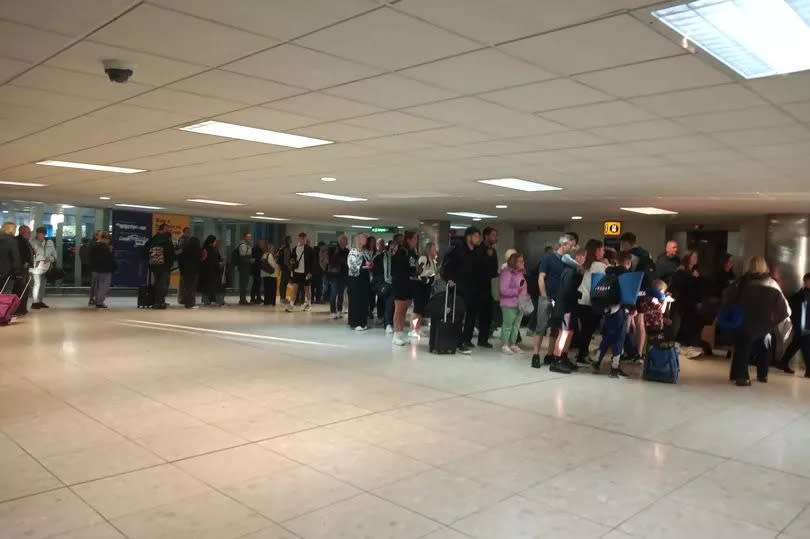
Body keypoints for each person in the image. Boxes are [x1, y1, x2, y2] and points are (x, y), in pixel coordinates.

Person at [724, 256, 790, 386]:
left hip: (742, 321)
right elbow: (783, 306)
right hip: (763, 325)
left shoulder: (741, 281)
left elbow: (727, 296)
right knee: (765, 346)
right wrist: (773, 320)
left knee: (742, 347)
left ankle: (740, 376)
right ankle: (762, 374)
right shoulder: (771, 283)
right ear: (764, 266)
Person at [531, 234, 576, 372]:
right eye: (571, 245)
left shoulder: (568, 262)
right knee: (541, 326)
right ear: (564, 244)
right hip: (547, 297)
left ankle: (550, 355)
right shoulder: (548, 258)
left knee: (555, 328)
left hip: (560, 299)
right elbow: (541, 278)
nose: (572, 248)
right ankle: (536, 354)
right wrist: (544, 296)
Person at [593, 252, 634, 378]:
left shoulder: (608, 271)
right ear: (628, 262)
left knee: (608, 336)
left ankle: (596, 361)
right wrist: (633, 308)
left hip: (607, 308)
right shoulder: (627, 275)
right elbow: (628, 294)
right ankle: (615, 368)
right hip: (619, 309)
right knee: (619, 338)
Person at [441, 226, 482, 355]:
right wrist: (449, 280)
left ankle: (465, 339)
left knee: (471, 315)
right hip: (459, 289)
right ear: (469, 236)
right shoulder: (458, 250)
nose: (478, 239)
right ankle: (458, 342)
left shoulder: (476, 251)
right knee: (458, 315)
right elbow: (446, 267)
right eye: (476, 236)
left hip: (473, 288)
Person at [620, 232, 655, 361]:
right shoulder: (647, 254)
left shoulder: (630, 255)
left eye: (623, 244)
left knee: (627, 321)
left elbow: (628, 274)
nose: (622, 247)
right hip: (643, 292)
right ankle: (639, 353)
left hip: (631, 291)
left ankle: (624, 351)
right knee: (640, 322)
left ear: (626, 243)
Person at [574, 239, 608, 364]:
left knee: (584, 330)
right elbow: (611, 275)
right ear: (597, 250)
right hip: (590, 302)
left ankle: (581, 354)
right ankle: (582, 356)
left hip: (581, 300)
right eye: (602, 249)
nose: (604, 251)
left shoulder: (586, 264)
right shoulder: (599, 266)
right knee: (588, 331)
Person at [670, 251, 704, 358]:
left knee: (691, 324)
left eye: (696, 257)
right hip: (683, 302)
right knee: (683, 324)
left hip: (691, 302)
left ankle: (689, 346)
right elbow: (682, 286)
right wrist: (693, 278)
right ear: (688, 258)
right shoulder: (681, 271)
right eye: (694, 257)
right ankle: (682, 346)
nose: (695, 259)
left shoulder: (693, 271)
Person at [391, 231, 420, 346]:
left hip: (409, 284)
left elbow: (414, 266)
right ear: (408, 239)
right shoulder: (402, 251)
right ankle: (396, 335)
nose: (416, 241)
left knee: (404, 310)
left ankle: (401, 332)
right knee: (399, 309)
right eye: (414, 239)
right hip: (400, 284)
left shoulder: (413, 252)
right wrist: (411, 272)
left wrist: (418, 270)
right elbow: (399, 269)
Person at [499, 252, 528, 355]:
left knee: (516, 326)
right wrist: (517, 291)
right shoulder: (506, 273)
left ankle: (513, 344)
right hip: (509, 304)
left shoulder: (521, 273)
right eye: (520, 261)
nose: (523, 263)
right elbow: (503, 290)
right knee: (508, 325)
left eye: (523, 261)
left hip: (520, 303)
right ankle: (504, 345)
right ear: (514, 262)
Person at [475, 227, 499, 348]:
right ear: (486, 236)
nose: (495, 237)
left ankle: (483, 339)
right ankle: (467, 338)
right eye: (493, 235)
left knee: (487, 315)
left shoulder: (493, 251)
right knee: (475, 314)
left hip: (490, 288)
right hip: (479, 287)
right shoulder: (478, 250)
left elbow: (494, 270)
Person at [784, 273, 810, 377]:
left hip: (804, 325)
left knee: (797, 343)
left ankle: (783, 362)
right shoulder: (801, 295)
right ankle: (809, 370)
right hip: (802, 325)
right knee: (806, 346)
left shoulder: (802, 294)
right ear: (805, 282)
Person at [144, 224, 175, 310]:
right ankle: (159, 302)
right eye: (167, 229)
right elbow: (170, 253)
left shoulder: (154, 239)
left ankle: (158, 301)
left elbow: (145, 249)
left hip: (155, 265)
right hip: (164, 265)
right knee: (163, 284)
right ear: (162, 229)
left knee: (158, 283)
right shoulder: (166, 240)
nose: (169, 231)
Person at [413, 242, 439, 338]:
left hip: (427, 287)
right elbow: (418, 271)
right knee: (417, 309)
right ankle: (413, 329)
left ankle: (417, 328)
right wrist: (429, 274)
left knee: (421, 309)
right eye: (433, 248)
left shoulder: (433, 260)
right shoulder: (424, 258)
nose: (435, 250)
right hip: (420, 286)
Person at [347, 233, 372, 331]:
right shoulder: (353, 251)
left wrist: (370, 265)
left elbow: (369, 262)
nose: (365, 239)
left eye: (365, 237)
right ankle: (355, 322)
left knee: (364, 301)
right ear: (358, 239)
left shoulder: (366, 252)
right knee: (355, 301)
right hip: (355, 279)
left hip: (365, 279)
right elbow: (352, 266)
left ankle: (363, 322)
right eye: (363, 237)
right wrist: (363, 267)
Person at [285, 232, 314, 312]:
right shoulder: (295, 248)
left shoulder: (309, 250)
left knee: (307, 289)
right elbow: (292, 258)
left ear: (306, 239)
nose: (302, 240)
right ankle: (291, 305)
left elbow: (313, 262)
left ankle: (309, 304)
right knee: (294, 288)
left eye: (304, 239)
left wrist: (310, 272)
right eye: (301, 239)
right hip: (297, 271)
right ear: (299, 239)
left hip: (306, 272)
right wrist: (291, 261)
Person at [29, 226, 56, 310]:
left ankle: (40, 301)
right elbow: (30, 255)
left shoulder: (50, 242)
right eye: (39, 234)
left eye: (42, 234)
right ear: (37, 234)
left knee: (43, 285)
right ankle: (35, 302)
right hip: (36, 266)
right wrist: (43, 258)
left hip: (46, 267)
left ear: (45, 234)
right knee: (37, 284)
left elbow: (54, 255)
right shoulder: (32, 242)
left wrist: (50, 259)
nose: (41, 235)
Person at [371, 240, 394, 333]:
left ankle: (388, 323)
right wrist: (381, 283)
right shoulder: (378, 257)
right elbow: (374, 272)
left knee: (389, 303)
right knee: (383, 301)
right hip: (382, 284)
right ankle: (385, 321)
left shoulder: (394, 258)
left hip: (392, 284)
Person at [88, 231, 116, 309]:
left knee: (97, 286)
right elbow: (109, 259)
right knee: (103, 286)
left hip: (95, 269)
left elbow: (90, 258)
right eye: (108, 239)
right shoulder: (105, 247)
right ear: (105, 239)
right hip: (104, 270)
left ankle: (95, 300)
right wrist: (113, 267)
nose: (109, 241)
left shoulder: (93, 245)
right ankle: (99, 302)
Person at [327, 235, 349, 319]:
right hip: (334, 275)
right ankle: (332, 311)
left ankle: (339, 310)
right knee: (333, 293)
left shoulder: (347, 251)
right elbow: (331, 261)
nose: (344, 241)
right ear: (339, 241)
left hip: (344, 275)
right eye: (343, 240)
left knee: (341, 293)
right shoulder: (333, 249)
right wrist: (337, 254)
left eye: (345, 240)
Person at [14, 225, 33, 316]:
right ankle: (19, 309)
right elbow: (20, 254)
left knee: (24, 288)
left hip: (25, 268)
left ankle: (22, 308)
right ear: (23, 232)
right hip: (22, 268)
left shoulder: (25, 241)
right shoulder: (19, 241)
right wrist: (25, 262)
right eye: (29, 232)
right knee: (21, 288)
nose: (30, 234)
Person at [177, 235, 201, 309]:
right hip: (194, 271)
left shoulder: (185, 249)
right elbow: (199, 261)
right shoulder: (197, 250)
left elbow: (180, 259)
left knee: (187, 287)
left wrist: (181, 270)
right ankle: (190, 303)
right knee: (192, 287)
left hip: (186, 270)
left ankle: (187, 302)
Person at [200, 235, 224, 306]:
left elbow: (217, 258)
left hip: (214, 270)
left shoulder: (214, 249)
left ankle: (214, 300)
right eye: (215, 241)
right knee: (208, 286)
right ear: (211, 241)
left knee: (214, 286)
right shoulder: (205, 249)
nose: (216, 242)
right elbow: (204, 260)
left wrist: (220, 261)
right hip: (208, 271)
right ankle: (207, 300)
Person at [0, 222, 21, 291]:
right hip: (7, 273)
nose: (16, 231)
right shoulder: (12, 241)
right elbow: (16, 258)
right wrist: (17, 271)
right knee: (6, 296)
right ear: (10, 230)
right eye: (15, 229)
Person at [235, 232, 253, 305]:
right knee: (243, 284)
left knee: (244, 283)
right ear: (244, 237)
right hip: (244, 267)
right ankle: (242, 300)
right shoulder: (243, 245)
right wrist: (250, 260)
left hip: (246, 267)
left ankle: (243, 299)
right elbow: (242, 258)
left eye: (250, 237)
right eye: (248, 237)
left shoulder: (248, 245)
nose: (249, 238)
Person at [176, 227, 192, 305]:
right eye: (188, 232)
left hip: (184, 263)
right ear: (184, 232)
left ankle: (182, 298)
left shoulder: (182, 240)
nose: (189, 233)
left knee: (183, 281)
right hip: (184, 263)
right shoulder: (183, 240)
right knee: (183, 281)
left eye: (190, 232)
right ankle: (181, 298)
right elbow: (180, 251)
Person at [277, 236, 292, 304]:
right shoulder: (286, 248)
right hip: (286, 268)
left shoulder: (282, 248)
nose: (291, 240)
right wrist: (289, 268)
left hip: (283, 268)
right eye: (290, 239)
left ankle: (283, 298)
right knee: (283, 283)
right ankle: (282, 298)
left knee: (283, 283)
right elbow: (286, 260)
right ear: (287, 240)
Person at [250, 239, 264, 304]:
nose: (263, 244)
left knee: (257, 284)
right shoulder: (255, 249)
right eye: (261, 243)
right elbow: (254, 259)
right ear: (259, 243)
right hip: (256, 269)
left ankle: (257, 297)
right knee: (256, 284)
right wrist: (260, 259)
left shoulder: (260, 249)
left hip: (258, 269)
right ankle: (254, 298)